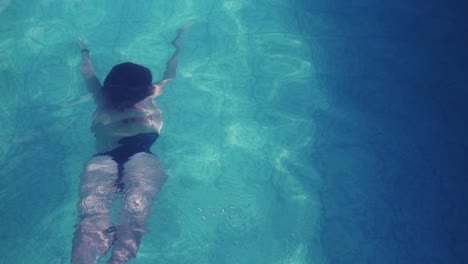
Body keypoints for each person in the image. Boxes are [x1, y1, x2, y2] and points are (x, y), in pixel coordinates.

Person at [71, 25, 190, 264]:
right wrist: (178, 43)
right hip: (142, 158)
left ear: (109, 86)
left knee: (92, 219)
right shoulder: (150, 97)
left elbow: (86, 70)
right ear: (145, 89)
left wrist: (83, 47)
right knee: (134, 219)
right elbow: (171, 73)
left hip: (103, 160)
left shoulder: (102, 98)